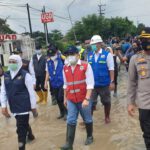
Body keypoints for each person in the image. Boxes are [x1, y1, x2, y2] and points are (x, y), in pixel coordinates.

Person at [1, 55, 38, 150]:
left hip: (23, 107)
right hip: (13, 107)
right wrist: (4, 106)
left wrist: (33, 107)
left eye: (14, 62)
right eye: (10, 61)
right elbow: (3, 91)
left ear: (19, 63)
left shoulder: (25, 75)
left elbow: (31, 93)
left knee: (20, 130)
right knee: (22, 123)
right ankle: (30, 135)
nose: (11, 64)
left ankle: (22, 147)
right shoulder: (6, 75)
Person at [61, 46, 94, 150]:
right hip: (71, 99)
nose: (69, 57)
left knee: (87, 119)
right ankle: (69, 144)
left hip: (84, 98)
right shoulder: (65, 68)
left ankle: (90, 136)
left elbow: (90, 84)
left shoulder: (85, 66)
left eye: (71, 54)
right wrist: (65, 98)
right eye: (68, 55)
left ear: (77, 55)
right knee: (70, 120)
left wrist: (87, 99)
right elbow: (65, 85)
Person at [127, 27, 150, 150]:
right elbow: (131, 82)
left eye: (148, 39)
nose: (146, 42)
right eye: (144, 39)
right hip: (144, 104)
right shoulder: (135, 59)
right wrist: (130, 103)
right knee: (147, 134)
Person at [88, 35, 114, 124]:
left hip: (104, 84)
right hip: (92, 85)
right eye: (92, 44)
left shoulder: (107, 55)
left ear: (99, 44)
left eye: (94, 44)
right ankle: (89, 119)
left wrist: (112, 82)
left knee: (106, 102)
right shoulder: (89, 55)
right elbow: (87, 70)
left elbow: (111, 69)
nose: (92, 46)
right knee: (90, 103)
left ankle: (107, 117)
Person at [45, 44, 67, 119]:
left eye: (53, 54)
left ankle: (67, 113)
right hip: (53, 82)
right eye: (50, 55)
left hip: (62, 82)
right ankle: (61, 112)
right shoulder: (48, 61)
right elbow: (47, 72)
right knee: (57, 99)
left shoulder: (63, 59)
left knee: (61, 97)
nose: (51, 56)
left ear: (56, 52)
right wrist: (45, 82)